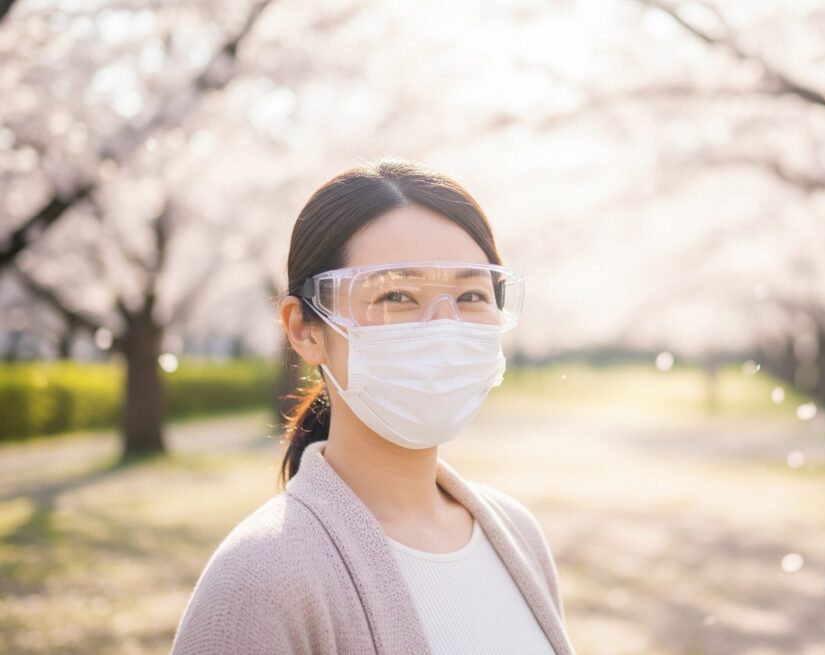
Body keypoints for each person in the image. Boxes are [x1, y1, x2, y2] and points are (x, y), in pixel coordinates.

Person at [170, 159, 575, 654]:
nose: (443, 328)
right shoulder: (259, 580)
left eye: (471, 294)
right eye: (397, 295)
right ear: (304, 329)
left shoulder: (517, 535)